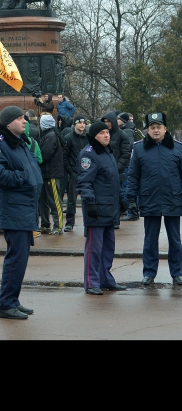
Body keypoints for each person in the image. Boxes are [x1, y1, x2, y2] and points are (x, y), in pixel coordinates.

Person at [0, 107, 43, 319]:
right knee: (16, 258)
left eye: (24, 118)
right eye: (20, 118)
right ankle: (5, 304)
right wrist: (24, 179)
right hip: (13, 208)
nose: (24, 121)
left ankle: (12, 300)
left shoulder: (20, 143)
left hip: (25, 207)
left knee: (21, 259)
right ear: (8, 123)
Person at [127, 113, 182, 285]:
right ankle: (149, 273)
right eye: (152, 127)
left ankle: (177, 273)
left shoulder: (178, 148)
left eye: (159, 127)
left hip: (173, 199)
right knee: (150, 240)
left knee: (175, 240)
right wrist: (130, 199)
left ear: (165, 129)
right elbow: (133, 176)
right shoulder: (138, 149)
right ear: (147, 130)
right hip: (149, 199)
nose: (156, 130)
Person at [77, 121, 128, 295]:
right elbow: (84, 182)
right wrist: (90, 202)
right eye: (102, 133)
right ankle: (92, 282)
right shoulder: (89, 154)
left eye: (107, 132)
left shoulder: (107, 152)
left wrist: (121, 199)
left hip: (110, 208)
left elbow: (114, 181)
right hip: (97, 210)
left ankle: (106, 279)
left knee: (108, 248)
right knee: (94, 248)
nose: (106, 135)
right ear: (94, 136)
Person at [37, 113, 66, 234]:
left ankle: (58, 226)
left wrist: (38, 158)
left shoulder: (51, 136)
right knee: (43, 200)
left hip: (51, 172)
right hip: (46, 172)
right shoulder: (50, 134)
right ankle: (45, 224)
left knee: (54, 200)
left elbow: (45, 154)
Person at [63, 116, 88, 231]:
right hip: (73, 173)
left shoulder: (88, 138)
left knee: (88, 198)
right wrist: (70, 170)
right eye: (80, 123)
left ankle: (88, 223)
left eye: (84, 123)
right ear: (75, 124)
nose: (82, 125)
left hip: (87, 173)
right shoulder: (69, 138)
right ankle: (69, 222)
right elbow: (64, 156)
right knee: (72, 200)